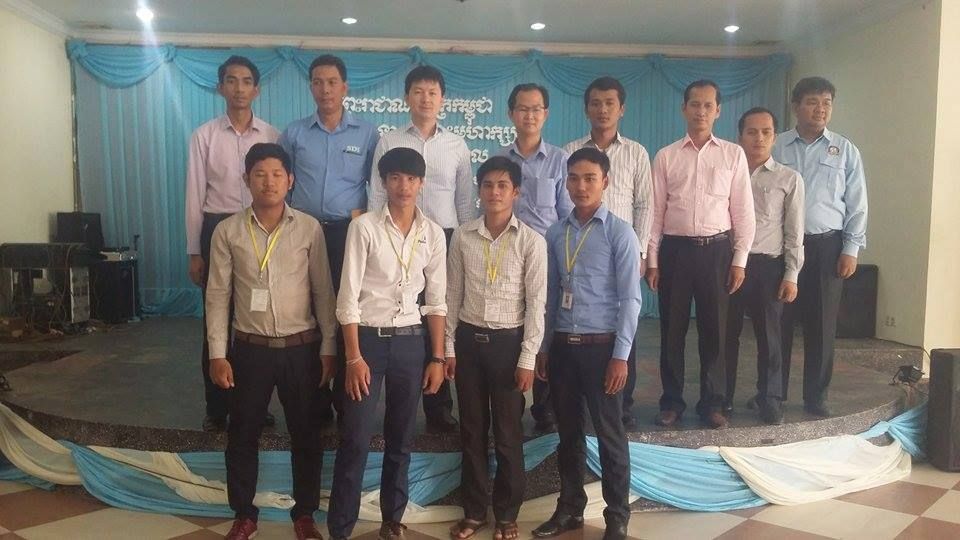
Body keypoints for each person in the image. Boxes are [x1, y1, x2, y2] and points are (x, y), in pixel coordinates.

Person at [205, 143, 337, 540]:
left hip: (302, 348)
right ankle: (244, 514)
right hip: (250, 350)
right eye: (260, 174)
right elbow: (217, 296)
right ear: (246, 179)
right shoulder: (228, 231)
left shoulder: (309, 228)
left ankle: (304, 514)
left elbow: (323, 292)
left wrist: (329, 348)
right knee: (242, 434)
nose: (269, 182)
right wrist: (218, 355)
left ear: (290, 180)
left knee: (306, 435)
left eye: (277, 174)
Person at [328, 147, 448, 540]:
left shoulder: (432, 233)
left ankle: (392, 520)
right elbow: (347, 297)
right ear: (383, 182)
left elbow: (436, 301)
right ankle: (340, 528)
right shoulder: (364, 228)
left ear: (421, 183)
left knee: (402, 438)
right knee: (355, 438)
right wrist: (353, 357)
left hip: (412, 345)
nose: (403, 186)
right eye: (395, 177)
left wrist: (436, 357)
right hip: (367, 342)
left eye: (411, 178)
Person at [533, 148, 641, 540]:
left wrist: (620, 356)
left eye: (590, 178)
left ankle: (617, 516)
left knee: (610, 435)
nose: (581, 186)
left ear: (605, 182)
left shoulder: (619, 232)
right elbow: (549, 297)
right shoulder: (556, 233)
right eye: (574, 178)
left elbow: (631, 299)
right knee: (568, 434)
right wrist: (544, 348)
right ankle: (569, 510)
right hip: (564, 347)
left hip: (603, 348)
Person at [367, 65, 476, 433]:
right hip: (396, 236)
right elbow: (376, 194)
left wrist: (463, 244)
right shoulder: (389, 141)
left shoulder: (457, 146)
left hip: (443, 238)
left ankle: (439, 406)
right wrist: (376, 238)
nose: (425, 98)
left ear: (442, 99)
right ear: (406, 97)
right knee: (399, 315)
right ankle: (391, 401)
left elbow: (465, 202)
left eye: (432, 92)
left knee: (438, 315)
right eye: (418, 91)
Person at [446, 156, 547, 540]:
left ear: (516, 192)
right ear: (479, 190)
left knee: (507, 434)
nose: (494, 192)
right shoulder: (463, 236)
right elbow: (452, 295)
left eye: (502, 185)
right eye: (487, 185)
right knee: (471, 432)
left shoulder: (531, 241)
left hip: (509, 346)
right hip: (469, 344)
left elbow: (536, 304)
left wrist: (528, 357)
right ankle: (474, 513)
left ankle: (506, 515)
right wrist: (449, 348)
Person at [646, 80, 756, 430]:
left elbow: (743, 212)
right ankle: (672, 402)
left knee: (716, 333)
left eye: (708, 105)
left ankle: (713, 403)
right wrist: (652, 260)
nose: (701, 111)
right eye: (695, 104)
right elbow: (655, 212)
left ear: (718, 111)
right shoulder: (666, 156)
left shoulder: (733, 155)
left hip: (717, 252)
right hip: (675, 252)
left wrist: (739, 260)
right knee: (672, 332)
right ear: (684, 109)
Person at [280, 54, 379, 421]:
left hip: (346, 235)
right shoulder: (294, 133)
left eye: (332, 82)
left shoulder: (367, 133)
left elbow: (377, 188)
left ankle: (345, 398)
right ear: (311, 87)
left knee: (343, 311)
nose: (325, 89)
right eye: (318, 82)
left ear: (345, 87)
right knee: (306, 313)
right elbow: (281, 182)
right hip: (302, 233)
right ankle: (315, 400)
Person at [185, 55, 279, 432]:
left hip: (262, 228)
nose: (239, 88)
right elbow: (194, 194)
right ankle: (217, 406)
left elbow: (280, 187)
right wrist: (195, 251)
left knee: (258, 321)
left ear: (257, 90)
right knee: (218, 318)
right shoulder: (204, 136)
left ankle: (255, 403)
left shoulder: (271, 135)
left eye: (246, 81)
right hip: (218, 227)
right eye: (231, 80)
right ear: (220, 87)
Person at [772, 77, 868, 417]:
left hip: (827, 247)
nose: (821, 109)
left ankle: (816, 397)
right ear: (796, 106)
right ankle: (773, 393)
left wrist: (851, 248)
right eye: (813, 102)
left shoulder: (845, 150)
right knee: (777, 323)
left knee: (822, 326)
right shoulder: (777, 146)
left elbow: (857, 202)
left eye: (827, 102)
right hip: (780, 248)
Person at [564, 76, 652, 428]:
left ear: (621, 109)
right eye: (596, 103)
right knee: (579, 323)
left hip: (621, 247)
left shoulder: (636, 152)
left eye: (609, 103)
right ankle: (573, 404)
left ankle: (621, 403)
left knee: (624, 317)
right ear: (586, 109)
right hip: (581, 248)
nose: (602, 109)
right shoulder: (570, 149)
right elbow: (564, 202)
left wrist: (641, 252)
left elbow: (644, 204)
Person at [499, 82, 572, 432]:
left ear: (546, 114)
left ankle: (545, 407)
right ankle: (509, 404)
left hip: (547, 259)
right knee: (511, 328)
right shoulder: (500, 160)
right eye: (522, 108)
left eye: (536, 109)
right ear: (511, 113)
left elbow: (567, 216)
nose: (529, 115)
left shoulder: (560, 160)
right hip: (507, 258)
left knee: (545, 328)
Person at [725, 107, 805, 425]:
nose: (758, 138)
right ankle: (721, 398)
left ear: (774, 137)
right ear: (740, 136)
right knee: (725, 335)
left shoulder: (789, 179)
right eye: (751, 132)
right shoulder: (727, 174)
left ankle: (770, 399)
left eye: (766, 132)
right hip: (729, 265)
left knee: (770, 338)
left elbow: (794, 232)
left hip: (768, 268)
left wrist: (791, 274)